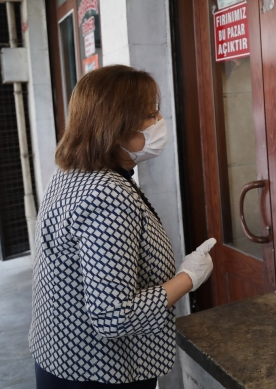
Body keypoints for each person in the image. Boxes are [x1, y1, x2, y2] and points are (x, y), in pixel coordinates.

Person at [29, 65, 216, 388]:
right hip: (97, 372)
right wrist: (189, 277)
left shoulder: (72, 173)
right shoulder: (106, 194)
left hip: (62, 358)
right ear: (114, 127)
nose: (159, 122)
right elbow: (114, 315)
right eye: (148, 115)